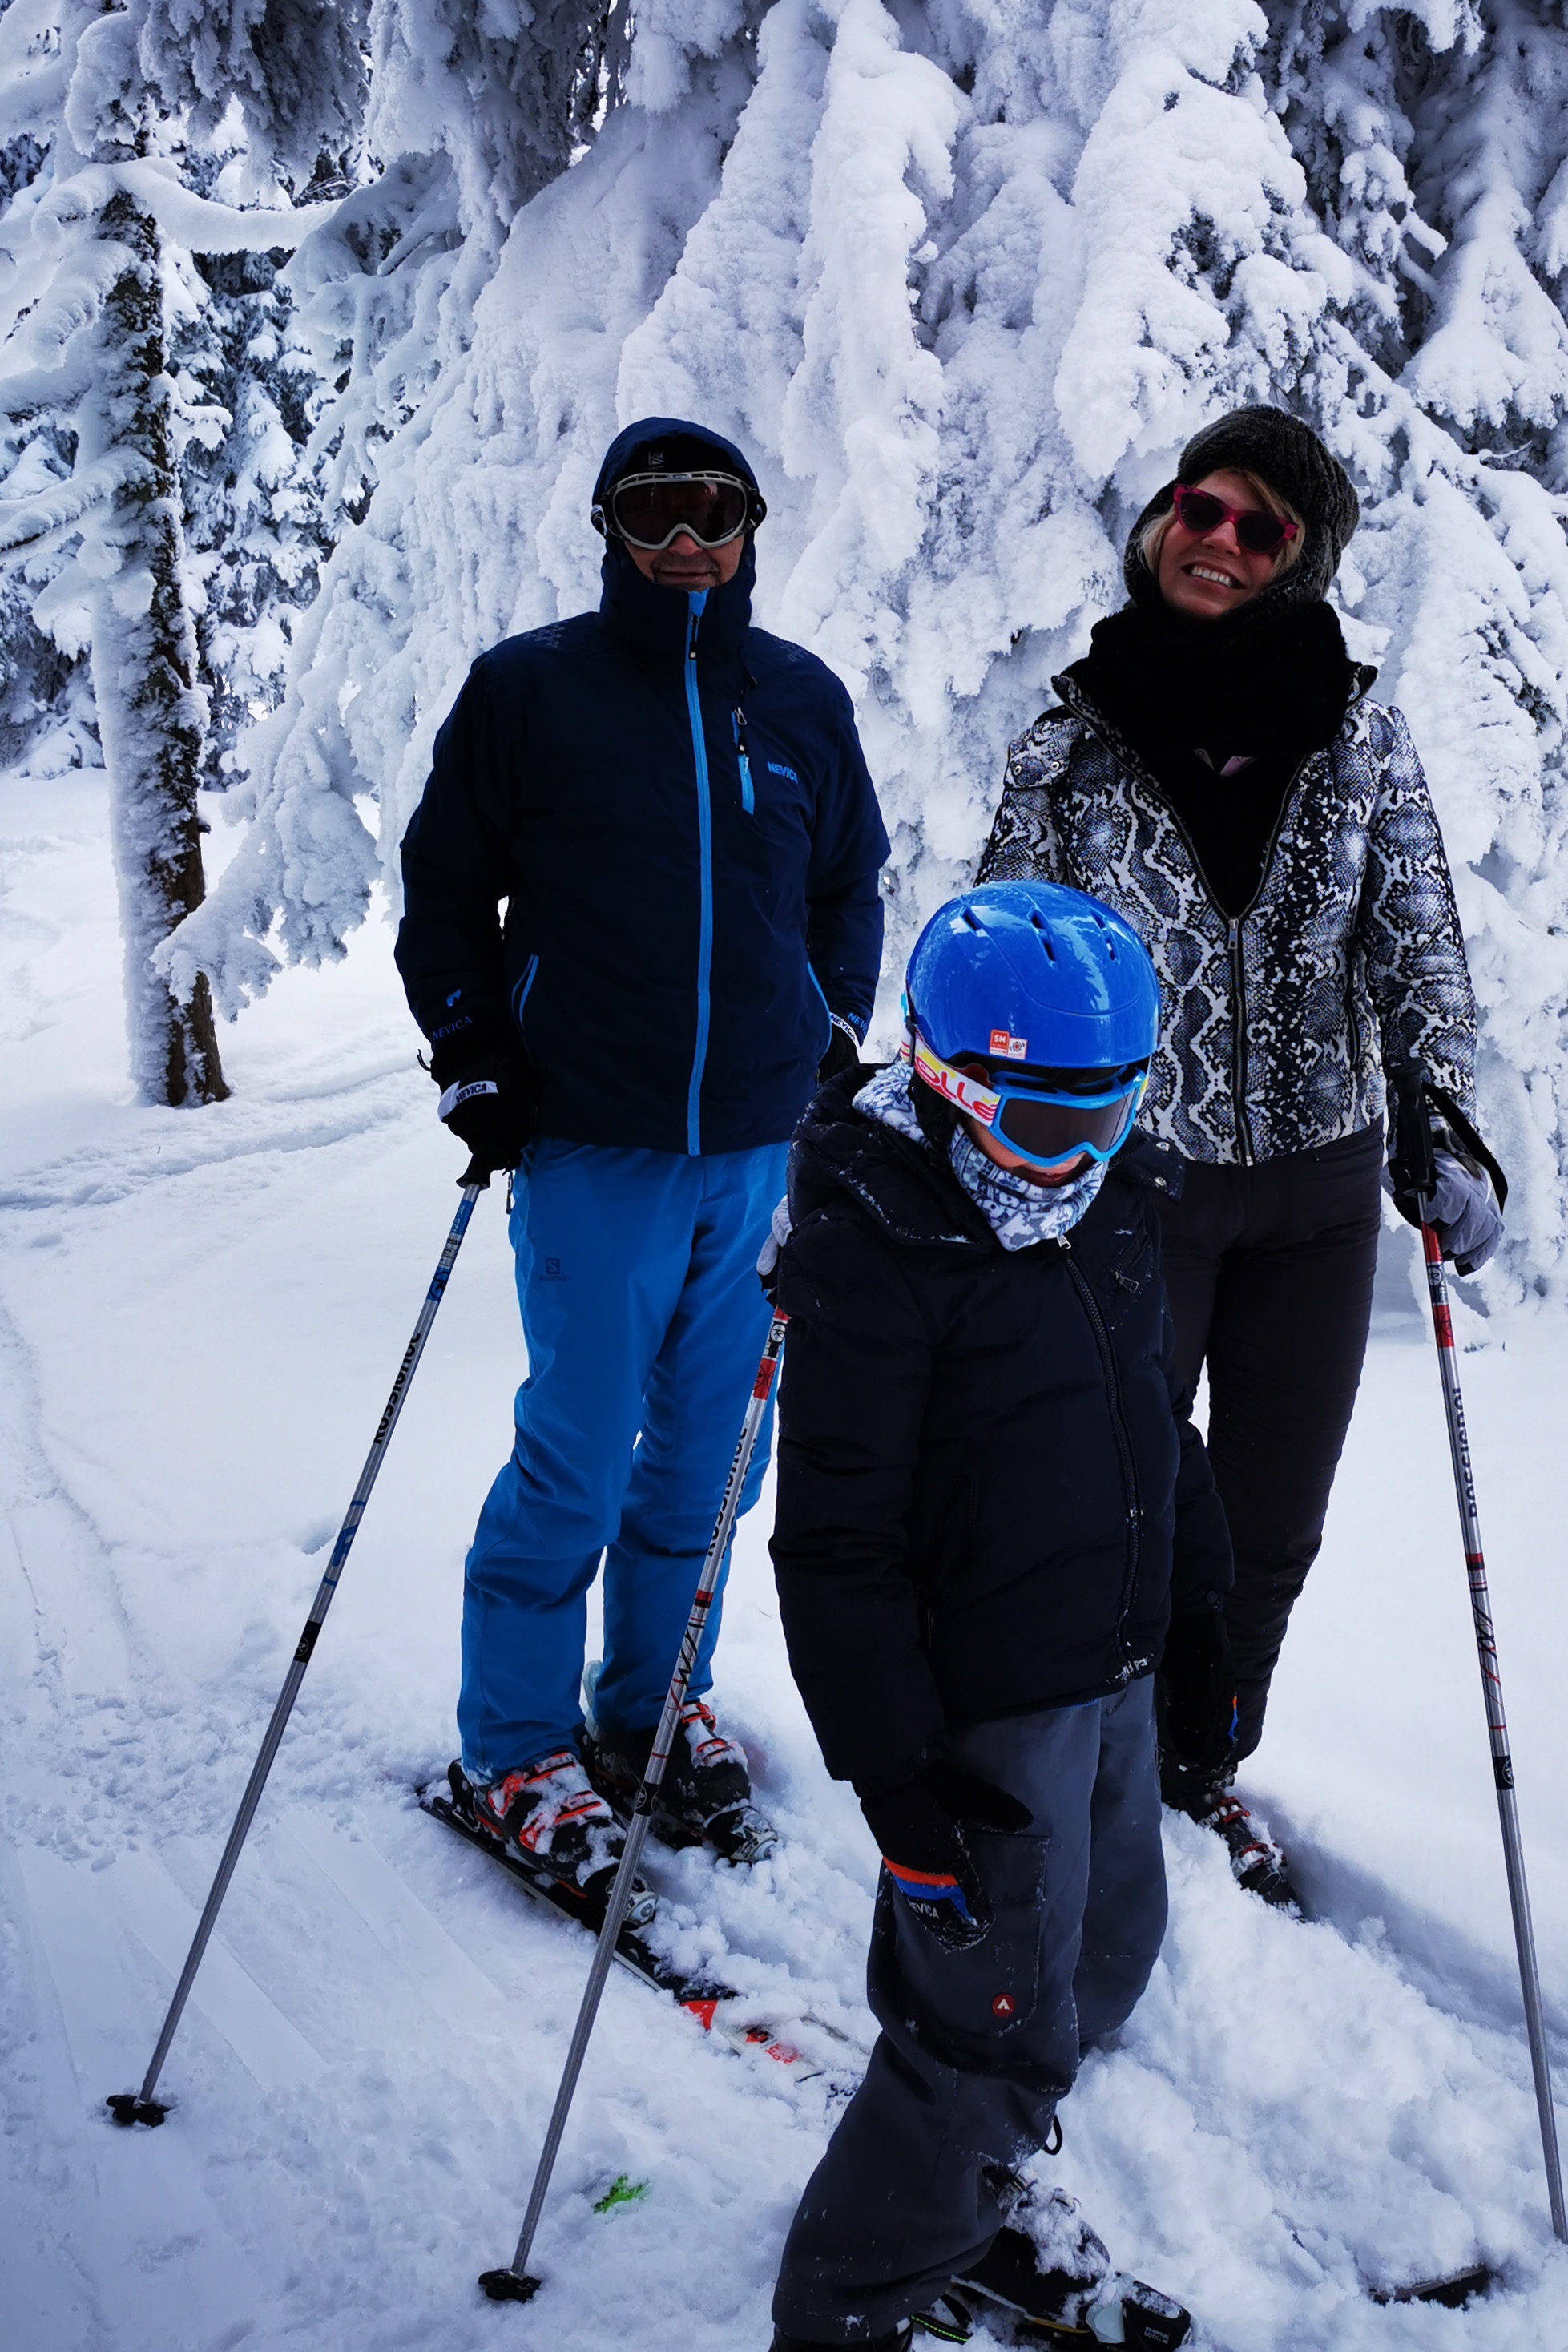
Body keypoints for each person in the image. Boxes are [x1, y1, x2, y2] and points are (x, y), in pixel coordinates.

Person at [977, 405, 1502, 1907]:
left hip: (1318, 1195)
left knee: (1270, 1522)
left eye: (1258, 527)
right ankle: (1091, 1766)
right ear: (1162, 522)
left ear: (1299, 560)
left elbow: (1416, 940)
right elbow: (1005, 951)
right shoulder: (1074, 739)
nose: (1217, 540)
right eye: (1199, 508)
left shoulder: (1360, 734)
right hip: (1131, 1184)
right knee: (1120, 1502)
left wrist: (1440, 1108)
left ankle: (1199, 1763)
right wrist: (983, 1129)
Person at [395, 415, 889, 1890]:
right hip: (590, 1144)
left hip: (759, 1152)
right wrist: (476, 1051)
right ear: (608, 528)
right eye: (652, 512)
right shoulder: (530, 690)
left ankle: (653, 1706)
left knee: (711, 1464)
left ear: (750, 529)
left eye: (710, 511)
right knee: (577, 1450)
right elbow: (444, 891)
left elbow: (849, 884)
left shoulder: (797, 698)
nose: (683, 541)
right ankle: (515, 1749)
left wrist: (833, 1024)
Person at [766, 881, 1231, 2352]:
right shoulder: (879, 1251)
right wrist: (899, 1782)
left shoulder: (1108, 1205)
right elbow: (832, 1546)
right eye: (1045, 1124)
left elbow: (1152, 1417)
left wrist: (1201, 1613)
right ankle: (848, 2302)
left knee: (1107, 1952)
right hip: (977, 1715)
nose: (1082, 1159)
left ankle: (973, 2187)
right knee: (989, 2029)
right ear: (949, 1086)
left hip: (1110, 1664)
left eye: (1116, 1112)